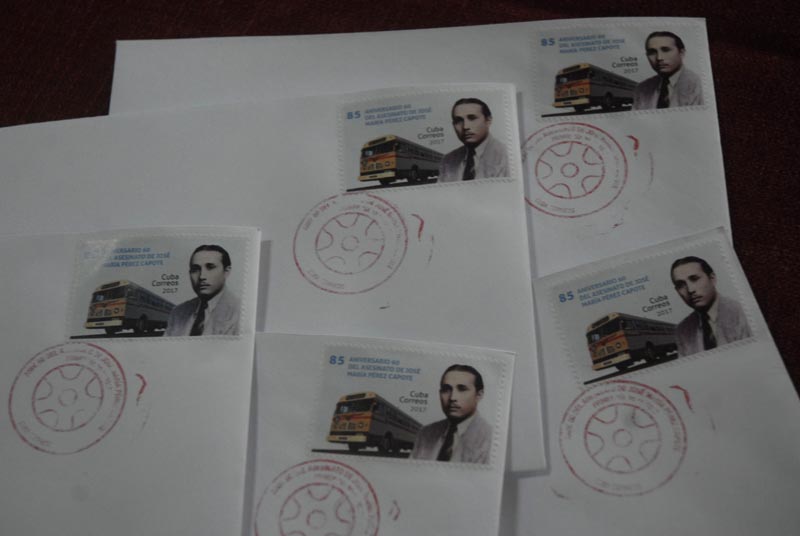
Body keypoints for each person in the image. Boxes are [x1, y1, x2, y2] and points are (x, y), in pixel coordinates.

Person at [410, 364, 492, 463]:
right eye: (446, 390)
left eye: (462, 389)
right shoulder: (425, 433)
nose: (452, 397)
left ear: (479, 395)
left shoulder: (490, 438)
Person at [670, 256, 751, 356]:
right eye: (681, 285)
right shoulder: (682, 330)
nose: (690, 290)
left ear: (712, 279)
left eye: (694, 279)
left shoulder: (743, 311)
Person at [165, 244, 240, 336]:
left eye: (210, 267)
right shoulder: (177, 313)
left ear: (226, 272)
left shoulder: (241, 311)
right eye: (195, 269)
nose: (202, 276)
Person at [438, 98, 508, 182]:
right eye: (458, 121)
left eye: (472, 118)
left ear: (488, 121)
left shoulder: (507, 155)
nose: (465, 126)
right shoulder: (448, 160)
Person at [632, 31, 703, 110]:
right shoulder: (642, 88)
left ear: (681, 53)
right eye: (652, 52)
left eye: (666, 50)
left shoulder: (699, 84)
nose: (659, 57)